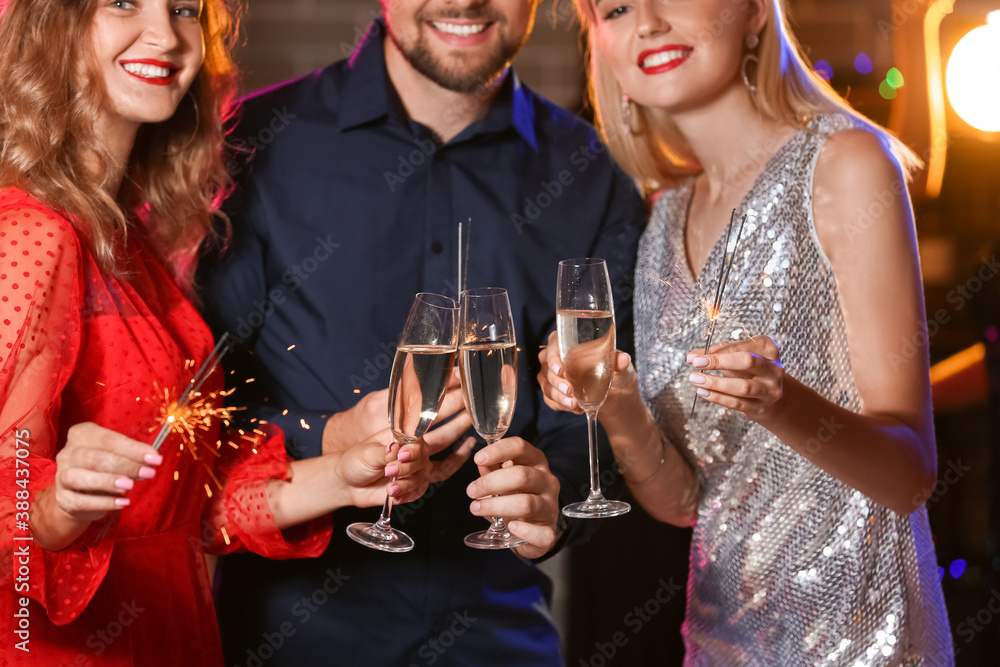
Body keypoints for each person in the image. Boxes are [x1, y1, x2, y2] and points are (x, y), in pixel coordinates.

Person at [0, 1, 458, 664]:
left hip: (176, 631)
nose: (164, 34)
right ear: (52, 24)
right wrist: (55, 504)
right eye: (123, 2)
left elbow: (189, 509)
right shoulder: (31, 235)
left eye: (185, 7)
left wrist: (349, 474)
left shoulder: (135, 241)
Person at [199, 0, 646, 663]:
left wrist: (552, 497)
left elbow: (597, 433)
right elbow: (196, 410)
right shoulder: (249, 143)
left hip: (501, 642)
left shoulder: (593, 176)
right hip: (283, 641)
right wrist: (327, 434)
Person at [538, 0, 953, 663]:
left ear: (757, 11)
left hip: (863, 644)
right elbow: (682, 502)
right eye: (614, 7)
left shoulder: (846, 165)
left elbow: (911, 475)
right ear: (603, 49)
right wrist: (616, 402)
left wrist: (780, 403)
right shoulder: (661, 224)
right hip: (719, 641)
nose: (646, 22)